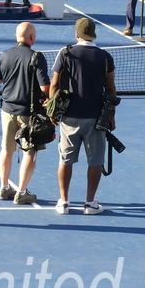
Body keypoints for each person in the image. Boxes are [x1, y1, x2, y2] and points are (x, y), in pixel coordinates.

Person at [50, 18, 117, 215]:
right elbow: (111, 88)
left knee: (65, 160)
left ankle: (63, 202)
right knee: (95, 161)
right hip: (96, 118)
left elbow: (54, 84)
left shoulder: (66, 53)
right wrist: (111, 115)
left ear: (77, 34)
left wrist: (52, 111)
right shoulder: (105, 57)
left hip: (69, 118)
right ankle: (89, 203)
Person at [0, 22, 50, 204]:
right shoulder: (37, 57)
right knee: (29, 152)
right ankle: (22, 191)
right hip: (29, 113)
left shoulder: (4, 54)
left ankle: (4, 188)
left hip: (8, 110)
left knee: (6, 150)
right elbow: (45, 87)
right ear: (32, 37)